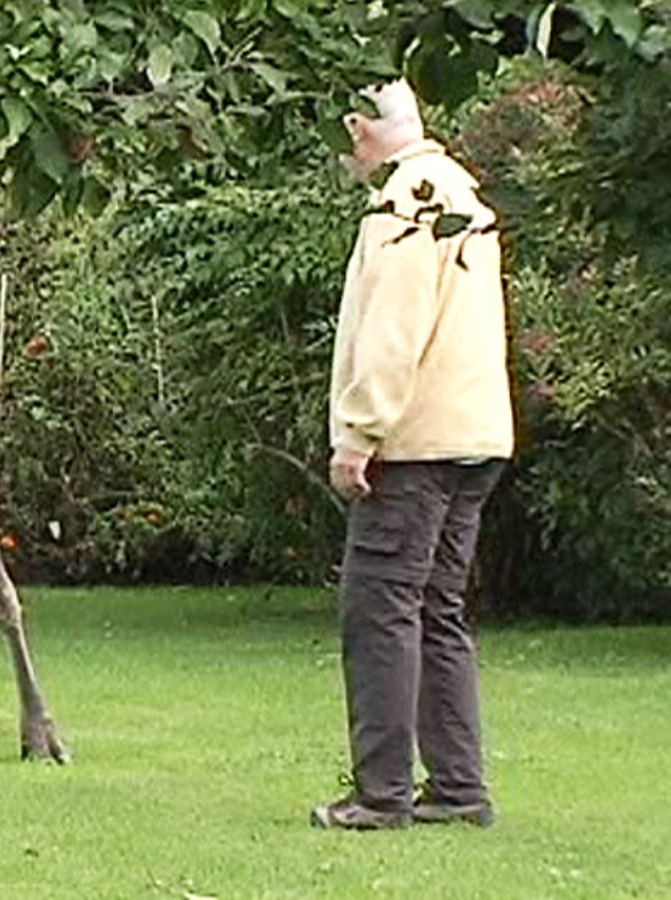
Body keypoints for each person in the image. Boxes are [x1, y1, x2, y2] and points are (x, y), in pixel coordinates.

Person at [310, 80, 514, 830]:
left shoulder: (406, 205)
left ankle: (380, 794)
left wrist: (358, 433)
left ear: (361, 128)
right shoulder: (460, 190)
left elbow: (392, 333)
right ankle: (460, 787)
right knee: (437, 609)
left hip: (416, 444)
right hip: (476, 438)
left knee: (379, 608)